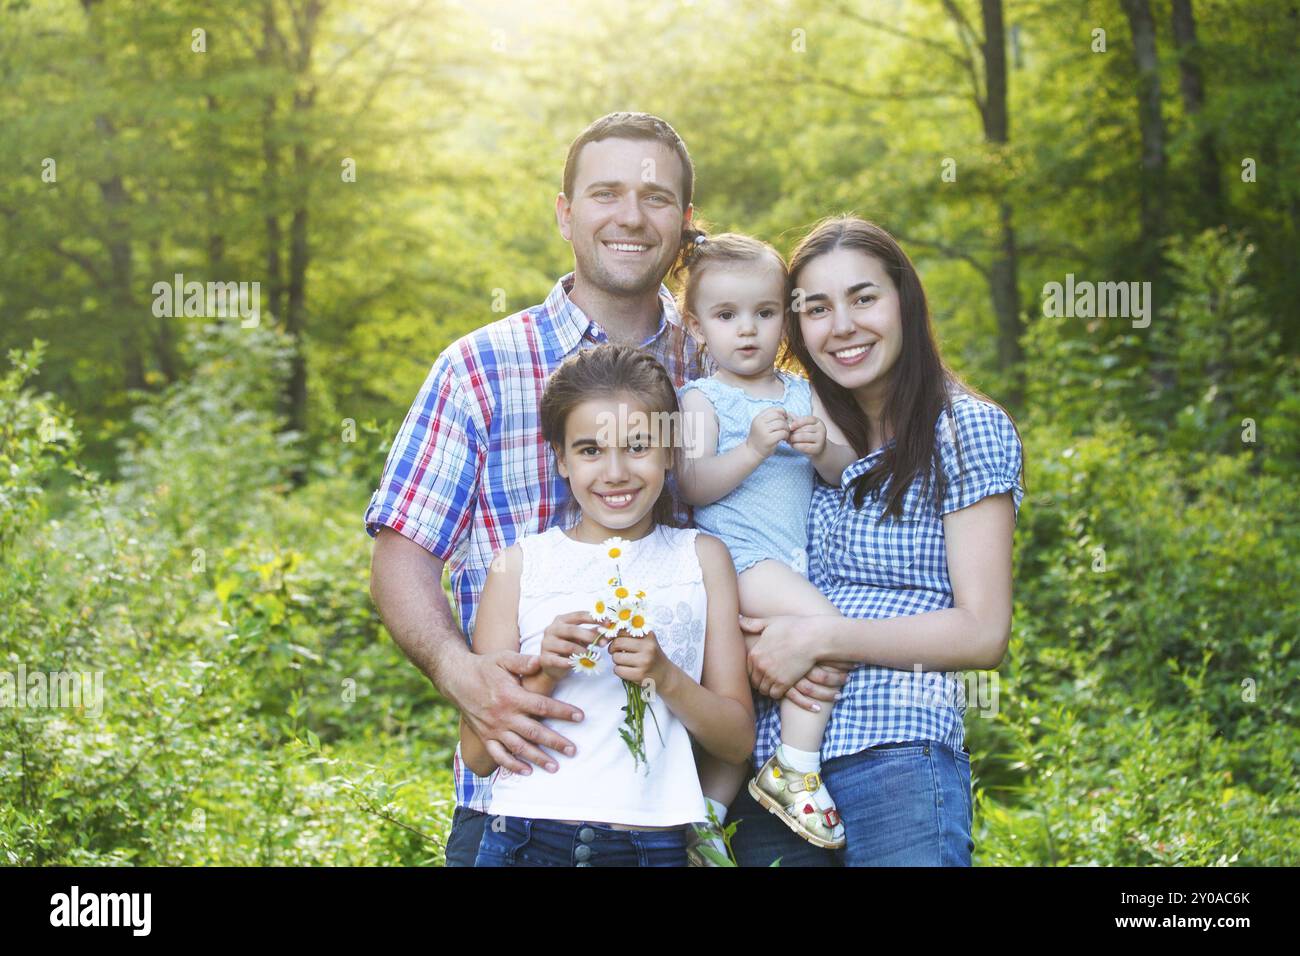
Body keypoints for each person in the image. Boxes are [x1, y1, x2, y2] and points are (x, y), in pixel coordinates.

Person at [364, 112, 717, 866]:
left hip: (677, 814)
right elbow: (402, 556)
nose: (630, 215)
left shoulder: (720, 369)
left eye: (656, 199)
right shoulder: (478, 369)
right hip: (513, 803)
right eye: (605, 193)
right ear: (565, 213)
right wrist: (468, 679)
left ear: (685, 224)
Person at [728, 216, 1025, 867]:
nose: (842, 326)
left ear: (904, 301)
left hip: (898, 756)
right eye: (817, 308)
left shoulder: (964, 430)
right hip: (776, 778)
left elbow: (983, 632)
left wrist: (822, 637)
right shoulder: (791, 431)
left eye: (864, 298)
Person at [462, 345, 754, 866]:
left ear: (669, 451)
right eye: (590, 450)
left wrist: (665, 676)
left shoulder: (702, 558)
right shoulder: (520, 567)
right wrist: (546, 671)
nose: (615, 471)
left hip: (655, 841)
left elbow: (735, 742)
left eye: (637, 446)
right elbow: (479, 755)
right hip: (525, 837)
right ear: (560, 458)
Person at [672, 231, 858, 855]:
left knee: (742, 717)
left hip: (787, 564)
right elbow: (693, 483)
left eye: (765, 313)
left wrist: (821, 447)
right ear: (696, 327)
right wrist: (752, 448)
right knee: (831, 632)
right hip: (739, 562)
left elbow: (842, 469)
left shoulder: (803, 392)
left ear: (786, 316)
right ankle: (796, 768)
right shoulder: (702, 398)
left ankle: (703, 821)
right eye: (726, 316)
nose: (747, 330)